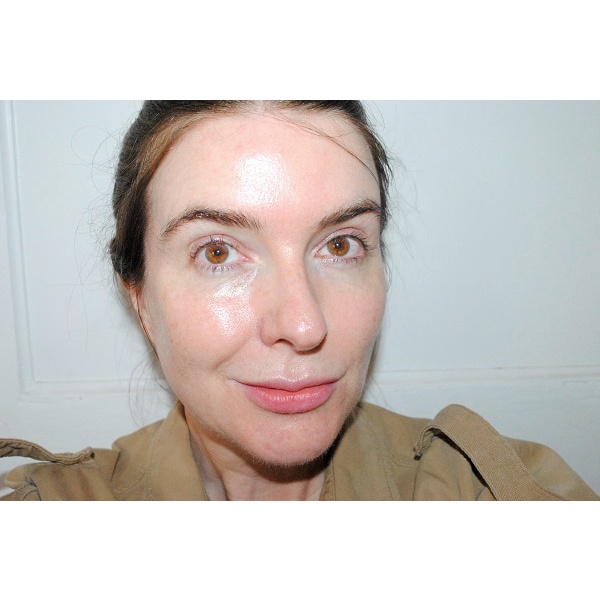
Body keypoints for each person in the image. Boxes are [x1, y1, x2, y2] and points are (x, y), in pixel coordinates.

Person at [1, 101, 597, 500]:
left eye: (340, 244)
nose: (305, 324)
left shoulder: (491, 492)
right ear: (139, 297)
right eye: (218, 252)